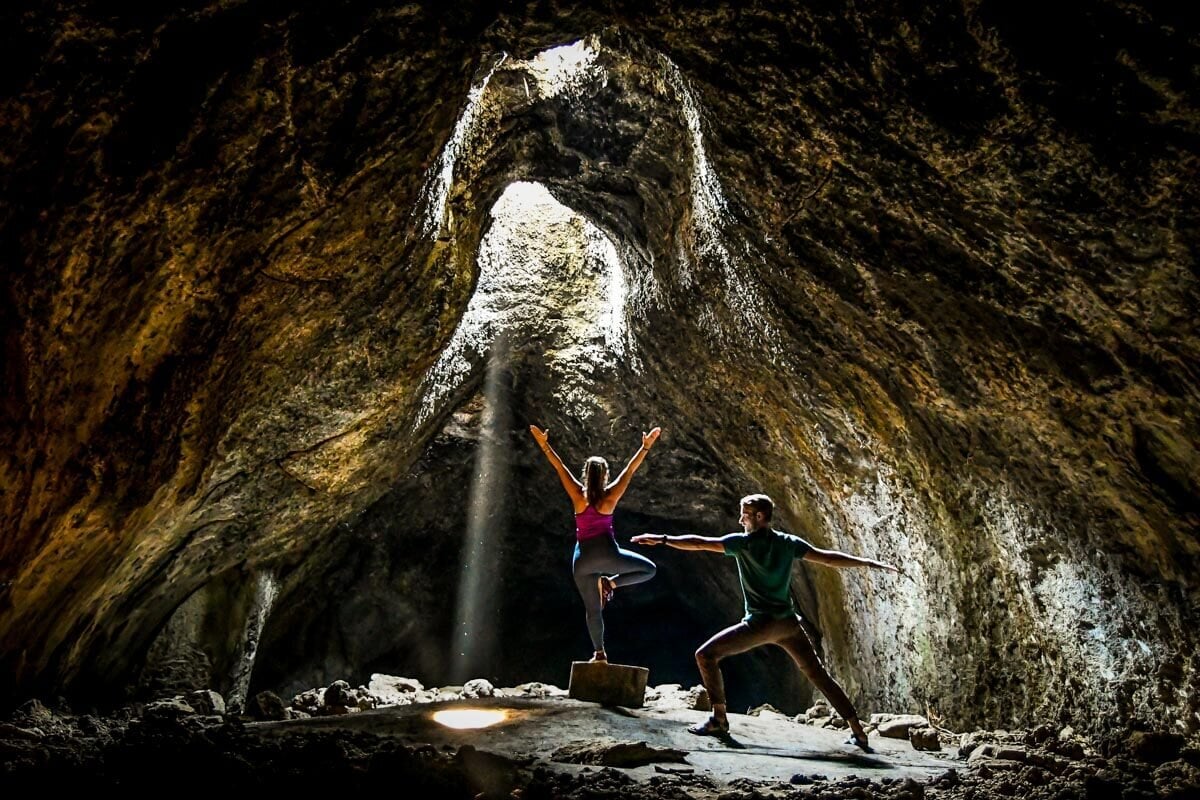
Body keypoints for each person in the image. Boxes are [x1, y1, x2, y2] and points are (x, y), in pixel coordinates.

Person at [632, 493, 898, 751]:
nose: (740, 521)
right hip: (789, 625)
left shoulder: (742, 544)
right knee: (819, 675)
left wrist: (662, 539)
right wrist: (868, 563)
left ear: (760, 516)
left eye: (745, 515)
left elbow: (700, 542)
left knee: (706, 655)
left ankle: (719, 719)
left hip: (759, 625)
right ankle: (858, 732)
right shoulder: (787, 542)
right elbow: (828, 558)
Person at [530, 424, 662, 663]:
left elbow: (559, 467)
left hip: (582, 561)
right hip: (607, 553)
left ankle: (599, 653)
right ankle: (610, 582)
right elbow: (630, 471)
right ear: (605, 475)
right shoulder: (610, 496)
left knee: (593, 610)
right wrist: (644, 448)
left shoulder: (577, 495)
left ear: (585, 474)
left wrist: (544, 444)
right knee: (649, 569)